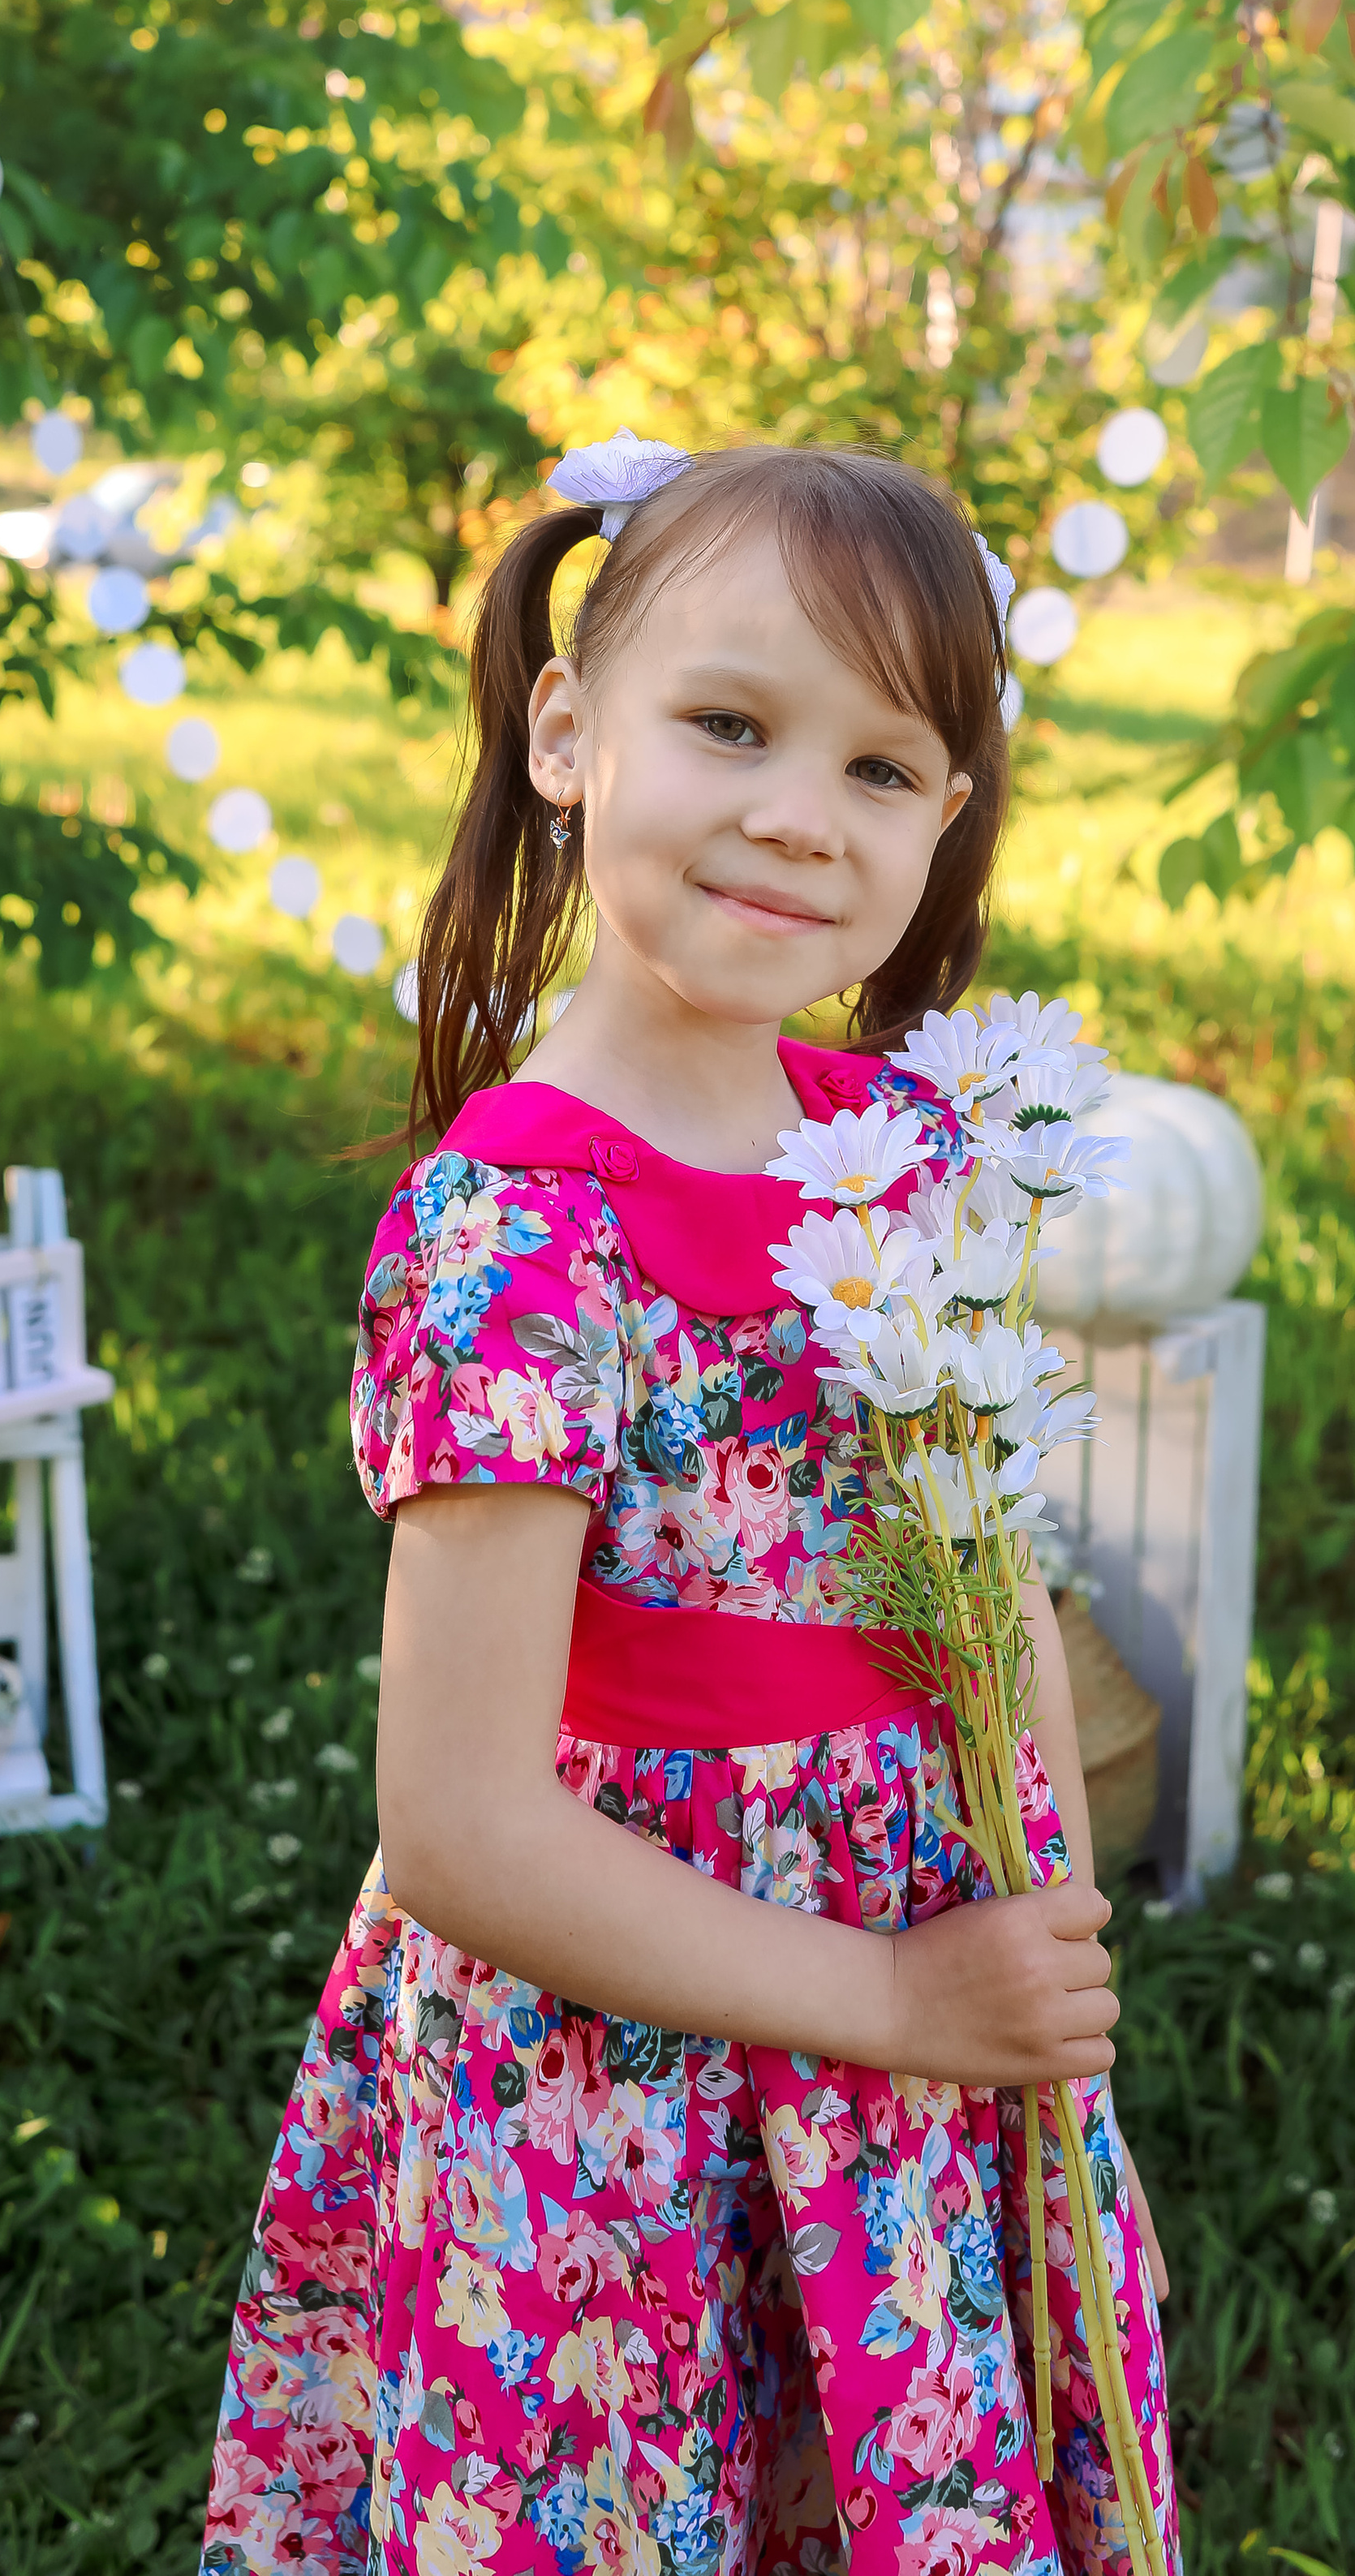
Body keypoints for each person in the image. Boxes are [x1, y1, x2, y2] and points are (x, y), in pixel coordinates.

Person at [203, 437, 1178, 2576]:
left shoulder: (903, 1160)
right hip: (609, 2084)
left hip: (919, 2058)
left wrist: (1037, 2022)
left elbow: (976, 1593)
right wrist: (905, 2003)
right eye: (730, 723)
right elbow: (460, 1827)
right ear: (569, 729)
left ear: (949, 818)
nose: (794, 814)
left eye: (882, 766)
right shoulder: (520, 1235)